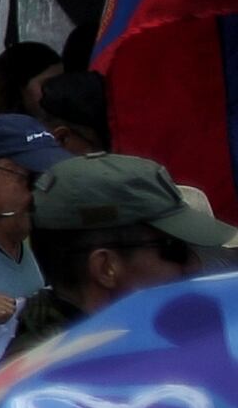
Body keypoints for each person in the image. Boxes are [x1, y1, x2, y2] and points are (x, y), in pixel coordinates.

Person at [13, 146, 228, 351]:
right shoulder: (58, 379)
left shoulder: (127, 349)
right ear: (106, 267)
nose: (194, 266)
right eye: (176, 250)